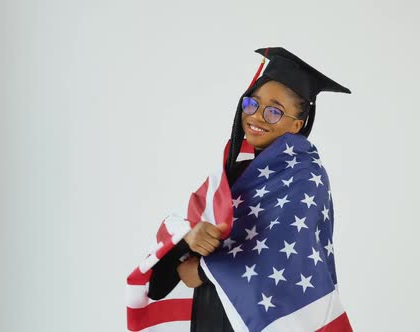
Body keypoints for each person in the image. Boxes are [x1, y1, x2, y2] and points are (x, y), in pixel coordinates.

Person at [147, 47, 351, 332]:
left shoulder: (306, 175)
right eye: (252, 104)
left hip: (264, 318)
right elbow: (194, 222)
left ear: (297, 124)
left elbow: (284, 253)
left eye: (274, 111)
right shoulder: (235, 168)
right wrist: (188, 240)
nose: (256, 117)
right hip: (213, 312)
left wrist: (203, 270)